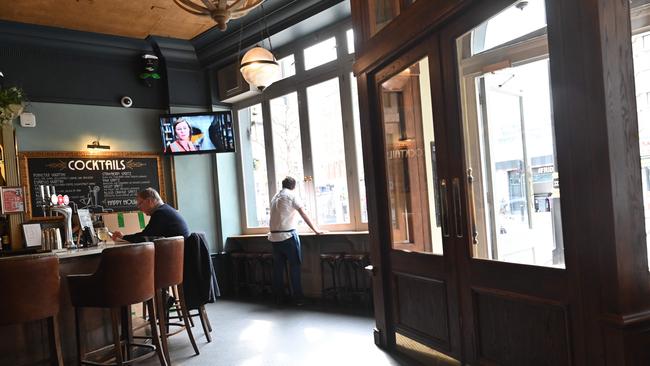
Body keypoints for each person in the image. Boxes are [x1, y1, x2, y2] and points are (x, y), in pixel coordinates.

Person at [268, 176, 323, 306]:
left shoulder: (275, 197)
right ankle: (298, 298)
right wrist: (316, 230)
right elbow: (303, 214)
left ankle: (279, 298)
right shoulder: (292, 195)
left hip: (274, 237)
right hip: (287, 236)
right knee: (295, 268)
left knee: (278, 270)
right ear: (293, 186)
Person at [111, 187, 190, 243]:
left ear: (149, 201)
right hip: (180, 257)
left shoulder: (161, 213)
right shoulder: (166, 210)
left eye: (140, 204)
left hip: (178, 259)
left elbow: (145, 236)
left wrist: (123, 237)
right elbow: (147, 236)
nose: (139, 208)